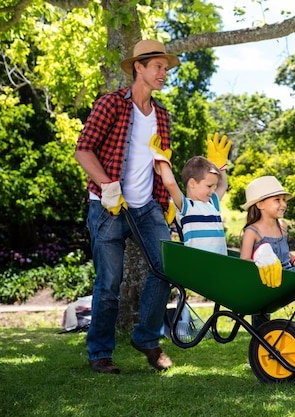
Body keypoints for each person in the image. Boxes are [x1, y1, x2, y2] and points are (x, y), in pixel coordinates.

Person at [74, 39, 179, 374]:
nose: (164, 73)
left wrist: (169, 202)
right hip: (107, 207)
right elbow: (83, 150)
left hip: (146, 206)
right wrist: (108, 186)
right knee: (108, 284)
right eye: (158, 67)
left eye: (165, 67)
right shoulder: (111, 105)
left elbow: (161, 162)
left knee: (166, 268)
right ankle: (100, 352)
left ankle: (147, 338)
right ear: (139, 67)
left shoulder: (162, 115)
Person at [240, 176, 295, 327]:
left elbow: (285, 254)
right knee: (262, 315)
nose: (283, 204)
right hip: (266, 280)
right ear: (260, 204)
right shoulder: (252, 231)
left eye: (284, 200)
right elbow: (244, 262)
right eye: (277, 200)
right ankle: (262, 334)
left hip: (287, 274)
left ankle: (266, 332)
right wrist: (262, 260)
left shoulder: (282, 225)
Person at [152, 132, 231, 255]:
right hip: (198, 265)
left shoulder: (212, 203)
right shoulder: (187, 206)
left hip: (220, 264)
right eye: (209, 186)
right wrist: (162, 161)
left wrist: (220, 166)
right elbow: (170, 184)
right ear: (192, 183)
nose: (213, 190)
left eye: (213, 186)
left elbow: (223, 185)